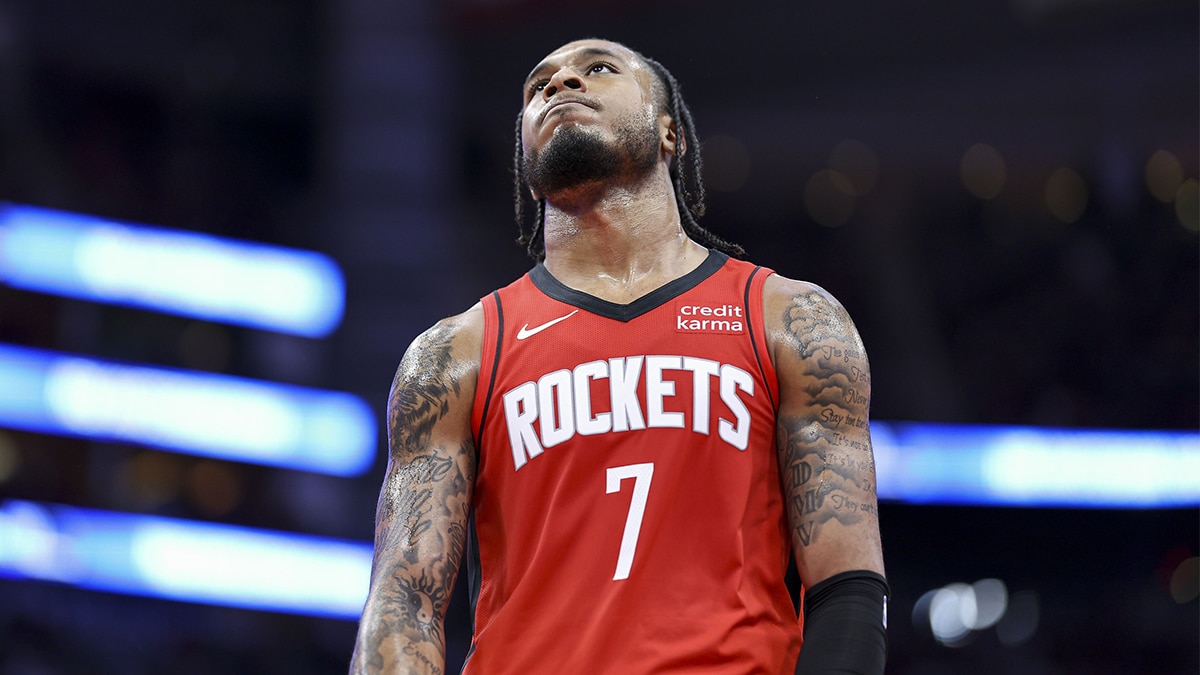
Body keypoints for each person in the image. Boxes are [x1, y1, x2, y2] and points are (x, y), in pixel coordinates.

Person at [350, 38, 888, 675]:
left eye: (598, 68)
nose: (561, 84)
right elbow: (403, 602)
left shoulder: (790, 320)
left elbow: (848, 589)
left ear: (670, 133)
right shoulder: (454, 355)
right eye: (538, 86)